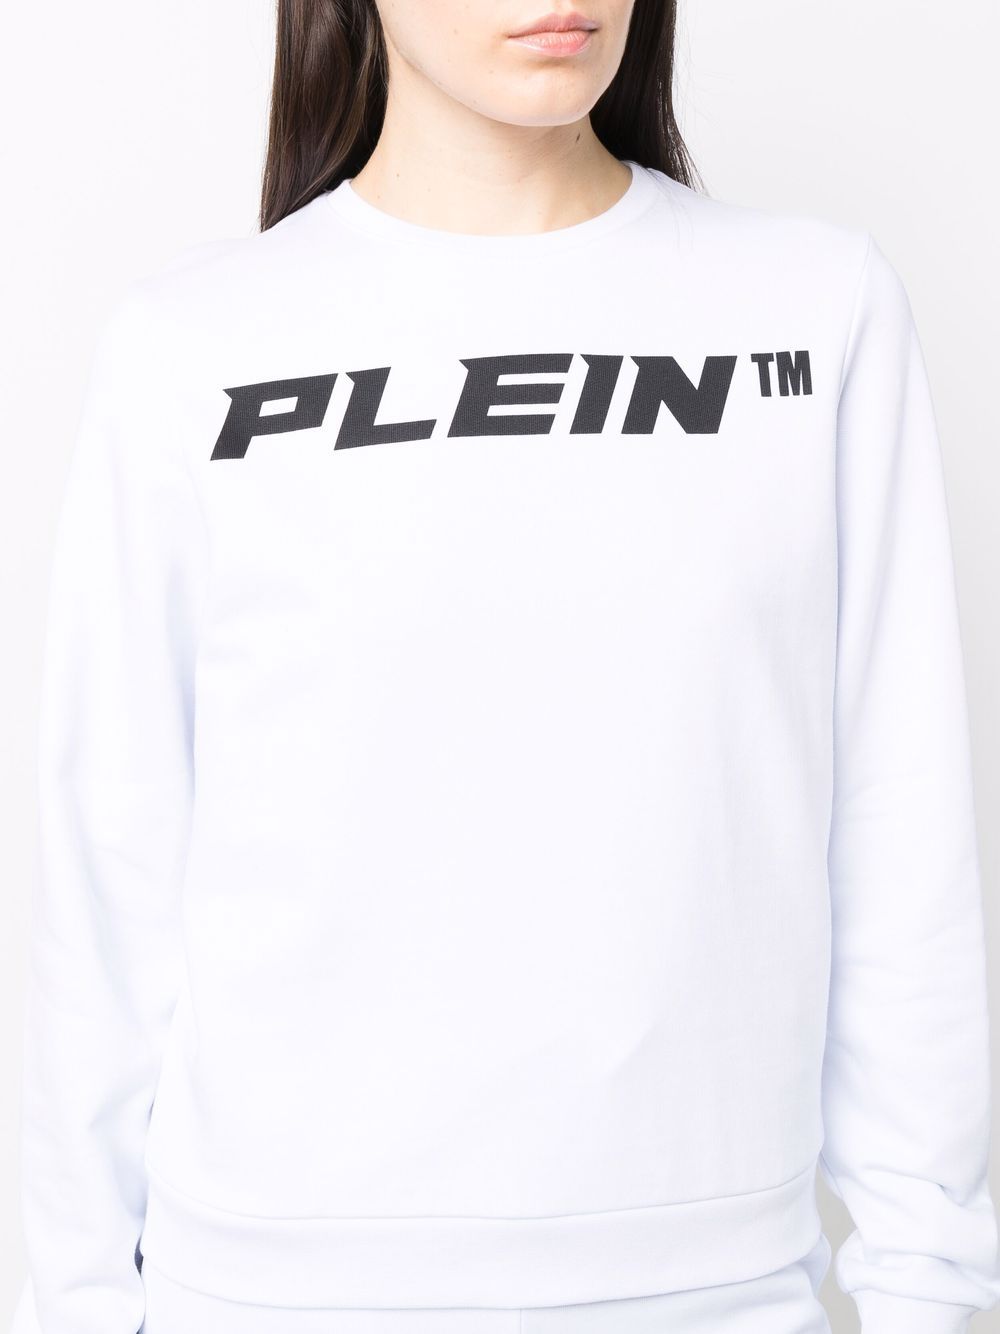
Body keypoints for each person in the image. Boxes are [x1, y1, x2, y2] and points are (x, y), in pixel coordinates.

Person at [11, 2, 1000, 1332]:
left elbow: (901, 848)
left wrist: (935, 1297)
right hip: (260, 1298)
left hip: (715, 1297)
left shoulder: (817, 312)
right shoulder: (194, 347)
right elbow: (107, 885)